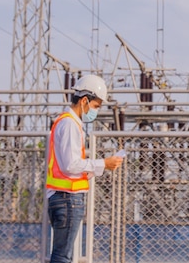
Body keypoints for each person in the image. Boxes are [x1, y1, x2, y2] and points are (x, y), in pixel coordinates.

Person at [45, 74, 124, 263]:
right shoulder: (70, 124)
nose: (95, 111)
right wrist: (103, 163)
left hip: (63, 196)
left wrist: (90, 172)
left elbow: (66, 167)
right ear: (84, 100)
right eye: (95, 106)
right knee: (63, 256)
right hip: (67, 199)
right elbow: (70, 164)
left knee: (63, 255)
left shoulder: (66, 122)